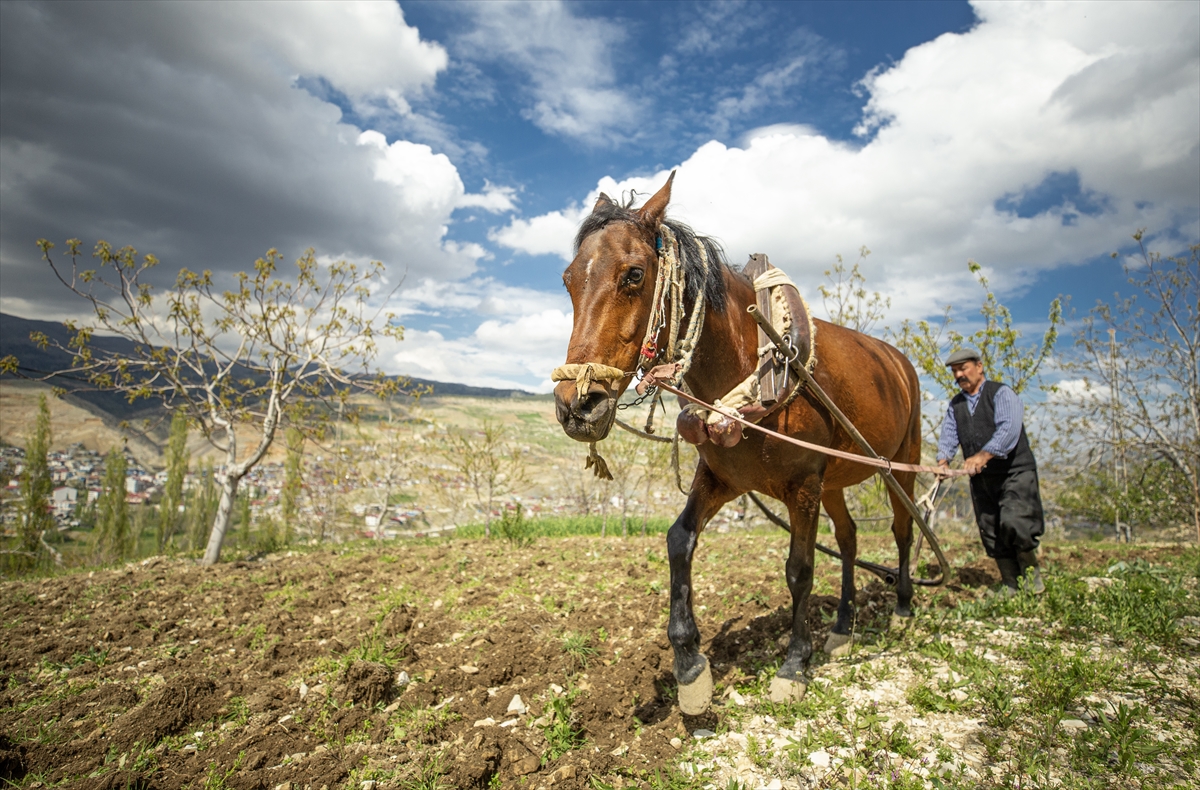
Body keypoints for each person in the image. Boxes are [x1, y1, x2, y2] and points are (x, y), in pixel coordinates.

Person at [936, 349, 1045, 595]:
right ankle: (1010, 584)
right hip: (983, 479)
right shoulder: (956, 405)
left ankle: (1032, 580)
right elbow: (949, 434)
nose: (959, 375)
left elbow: (1009, 428)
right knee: (991, 529)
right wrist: (943, 461)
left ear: (979, 366)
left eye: (963, 368)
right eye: (955, 371)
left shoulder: (1001, 393)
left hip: (1014, 472)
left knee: (1016, 522)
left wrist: (983, 456)